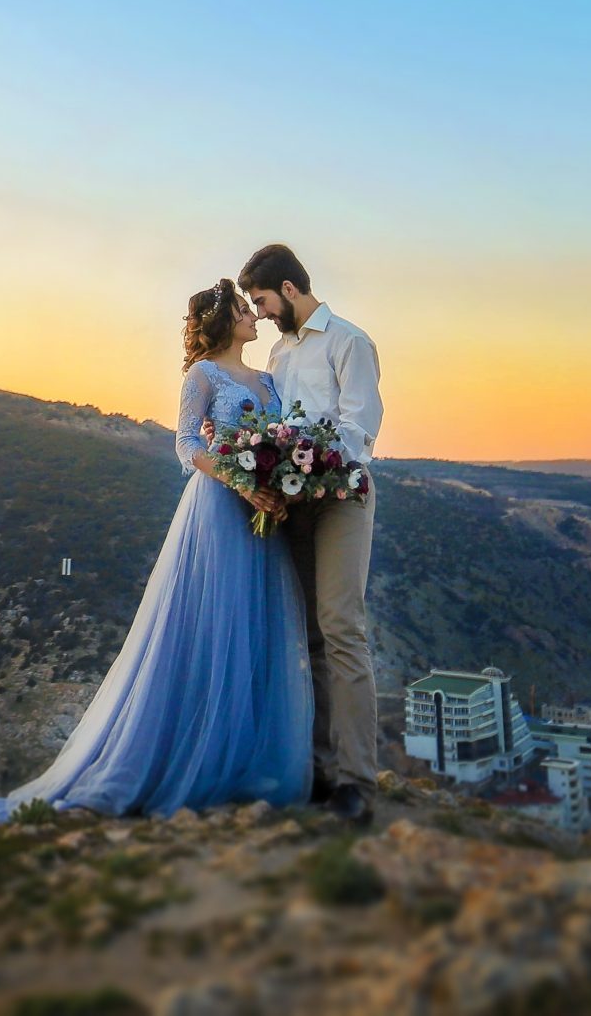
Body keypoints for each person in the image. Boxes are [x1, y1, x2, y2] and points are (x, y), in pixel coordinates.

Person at [0, 282, 311, 822]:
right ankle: (183, 760)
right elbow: (186, 443)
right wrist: (240, 482)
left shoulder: (267, 379)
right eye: (245, 311)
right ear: (222, 321)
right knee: (209, 625)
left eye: (252, 309)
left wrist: (278, 483)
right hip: (219, 508)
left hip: (260, 513)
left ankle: (241, 760)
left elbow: (276, 439)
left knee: (252, 626)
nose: (254, 319)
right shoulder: (203, 375)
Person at [238, 242, 384, 824]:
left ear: (290, 290)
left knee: (342, 628)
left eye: (263, 299)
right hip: (294, 506)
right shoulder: (277, 353)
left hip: (344, 498)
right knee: (311, 638)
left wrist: (313, 467)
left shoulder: (349, 341)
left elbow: (360, 427)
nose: (262, 310)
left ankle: (357, 781)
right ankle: (321, 770)